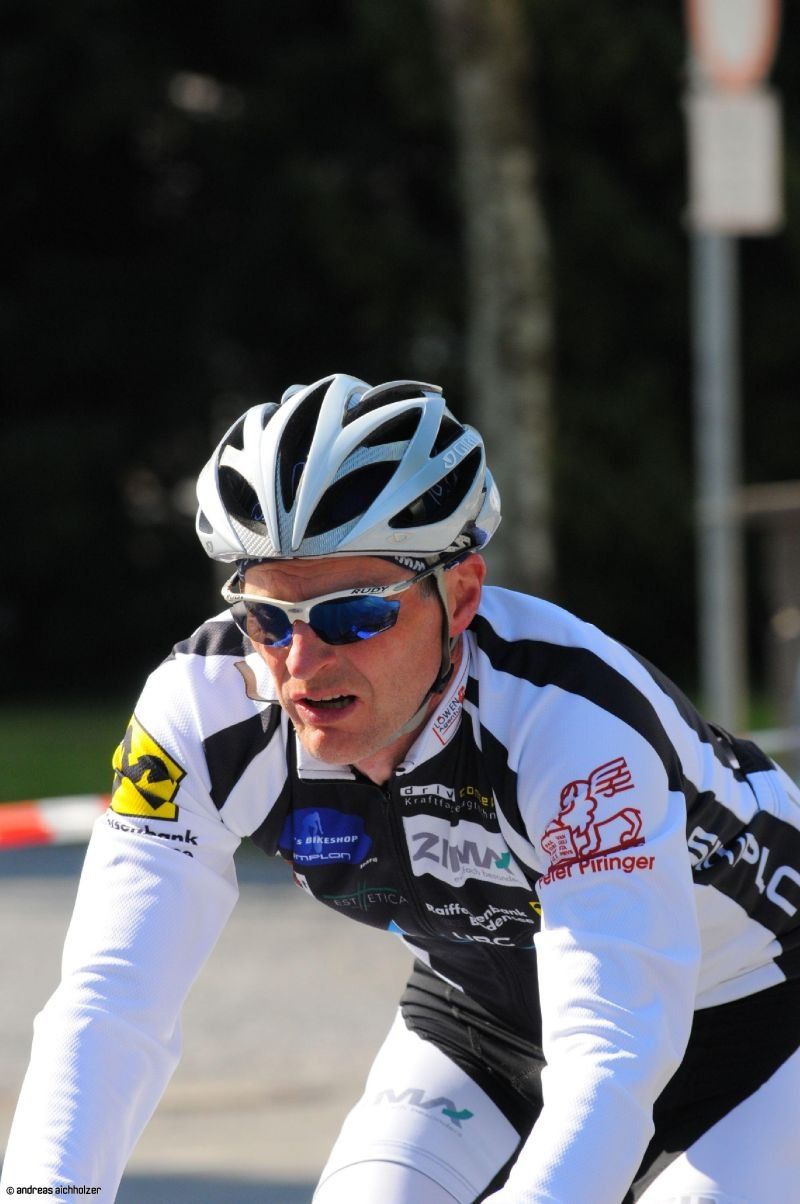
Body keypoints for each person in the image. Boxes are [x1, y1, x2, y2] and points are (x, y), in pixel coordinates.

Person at [2, 373, 800, 1204]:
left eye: (353, 616)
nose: (302, 663)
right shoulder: (206, 712)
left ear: (461, 595)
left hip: (758, 1016)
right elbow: (110, 999)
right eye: (268, 619)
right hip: (482, 1014)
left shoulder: (565, 722)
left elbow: (613, 1056)